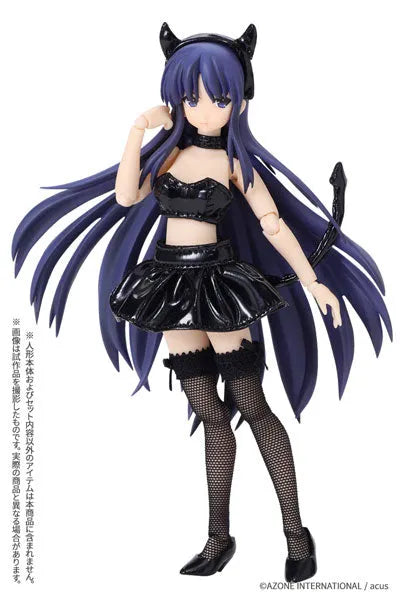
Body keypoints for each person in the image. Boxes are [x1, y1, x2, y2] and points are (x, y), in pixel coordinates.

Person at [12, 23, 392, 581]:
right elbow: (126, 195)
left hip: (218, 284)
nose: (204, 108)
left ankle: (296, 533)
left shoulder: (235, 164)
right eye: (191, 97)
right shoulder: (166, 158)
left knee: (252, 405)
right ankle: (219, 538)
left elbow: (272, 224)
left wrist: (313, 281)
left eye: (218, 97)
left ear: (239, 100)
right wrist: (138, 128)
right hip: (169, 286)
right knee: (209, 412)